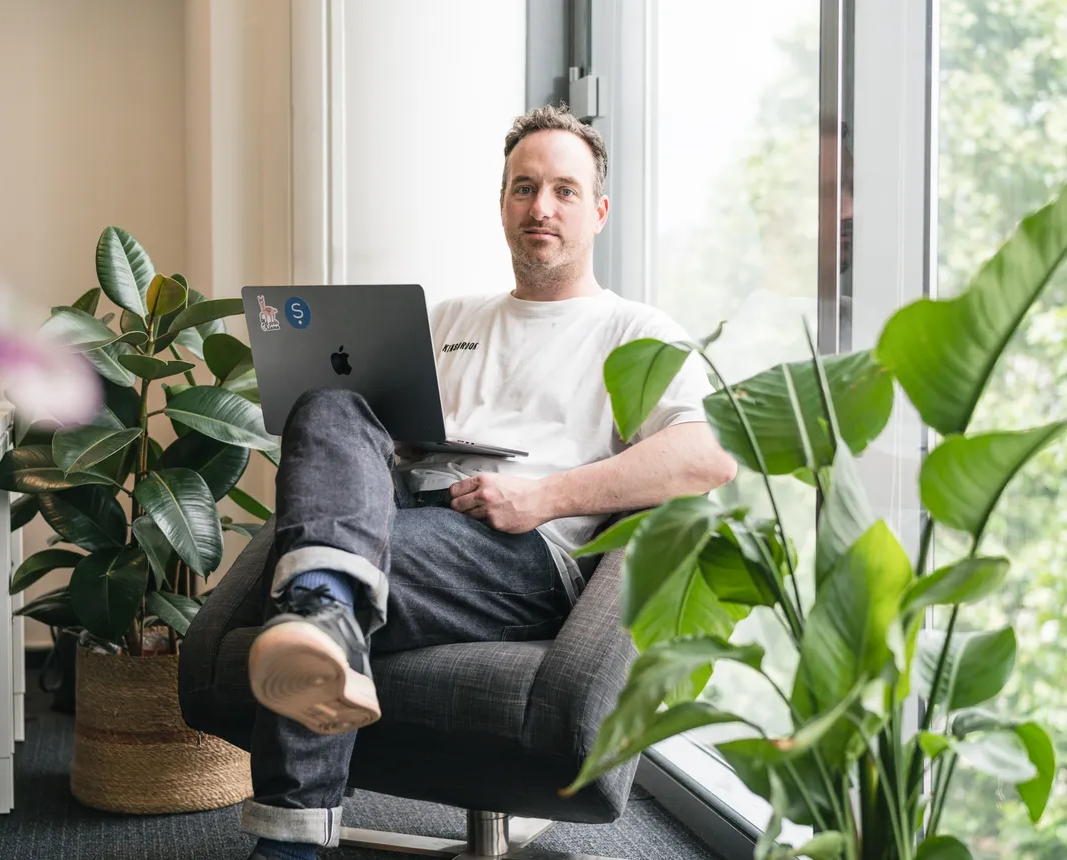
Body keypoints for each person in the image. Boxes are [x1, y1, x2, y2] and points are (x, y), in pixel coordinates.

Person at [240, 104, 738, 860]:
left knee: (306, 581)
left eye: (565, 191)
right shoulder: (449, 318)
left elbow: (709, 454)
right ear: (502, 203)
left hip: (526, 552)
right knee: (328, 403)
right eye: (524, 188)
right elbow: (366, 443)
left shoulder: (636, 330)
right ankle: (329, 611)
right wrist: (389, 452)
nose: (542, 208)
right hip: (405, 515)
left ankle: (291, 831)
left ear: (599, 212)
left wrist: (541, 498)